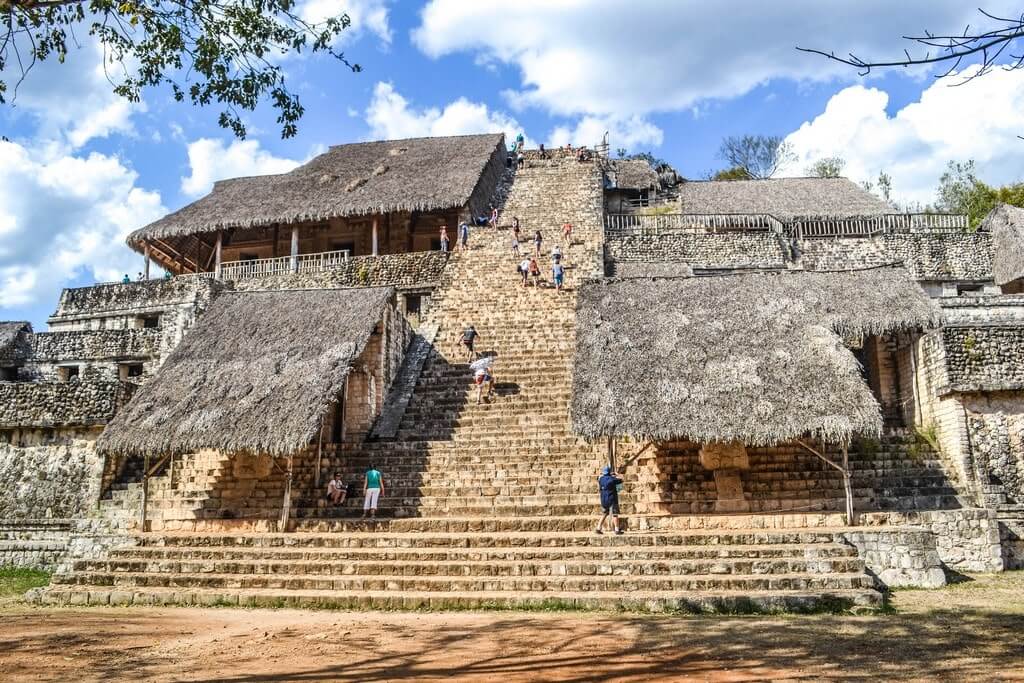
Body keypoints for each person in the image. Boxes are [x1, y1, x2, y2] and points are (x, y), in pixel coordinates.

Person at [596, 466, 623, 535]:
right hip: (612, 499)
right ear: (609, 472)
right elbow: (621, 480)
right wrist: (617, 475)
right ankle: (617, 529)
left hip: (604, 500)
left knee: (605, 513)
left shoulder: (601, 479)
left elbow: (600, 477)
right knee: (615, 514)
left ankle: (598, 528)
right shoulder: (612, 479)